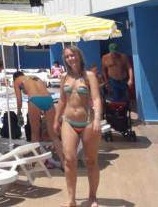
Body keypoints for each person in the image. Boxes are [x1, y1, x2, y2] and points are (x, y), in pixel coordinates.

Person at [54, 45, 103, 207]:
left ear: (79, 56)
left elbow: (96, 99)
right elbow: (62, 100)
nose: (70, 58)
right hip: (68, 121)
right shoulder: (64, 77)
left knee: (90, 160)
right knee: (69, 159)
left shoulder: (89, 76)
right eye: (67, 56)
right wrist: (56, 119)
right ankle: (71, 199)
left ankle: (92, 197)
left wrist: (97, 118)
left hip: (88, 121)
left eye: (73, 55)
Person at [13, 71, 63, 167]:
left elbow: (19, 101)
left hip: (35, 100)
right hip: (48, 99)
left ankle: (37, 161)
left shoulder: (16, 81)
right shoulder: (35, 77)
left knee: (35, 133)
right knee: (53, 134)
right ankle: (63, 162)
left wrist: (19, 112)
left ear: (15, 78)